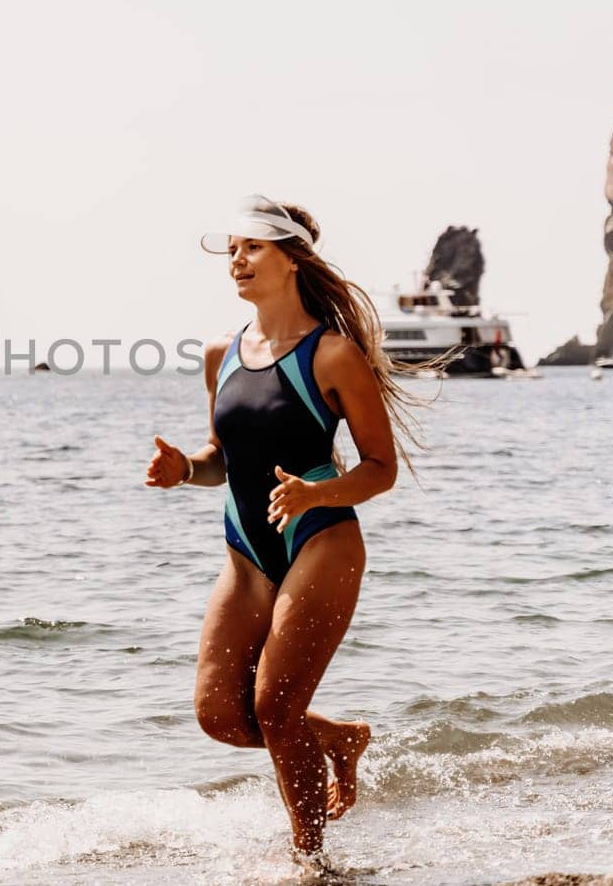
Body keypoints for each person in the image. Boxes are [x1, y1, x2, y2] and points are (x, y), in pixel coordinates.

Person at [144, 194, 433, 858]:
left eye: (252, 249)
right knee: (219, 713)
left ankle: (310, 861)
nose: (237, 261)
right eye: (233, 250)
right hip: (245, 551)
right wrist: (182, 469)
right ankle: (336, 736)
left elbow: (382, 467)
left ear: (292, 259)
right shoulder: (222, 353)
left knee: (275, 708)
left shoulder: (331, 354)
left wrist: (315, 493)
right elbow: (223, 458)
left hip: (322, 539)